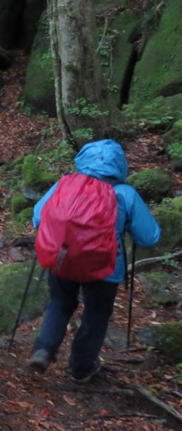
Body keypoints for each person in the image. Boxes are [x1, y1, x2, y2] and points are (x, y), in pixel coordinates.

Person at [27, 139, 161, 382]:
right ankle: (81, 367)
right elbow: (149, 237)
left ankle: (44, 350)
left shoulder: (64, 185)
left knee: (60, 304)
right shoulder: (125, 194)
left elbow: (38, 218)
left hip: (62, 260)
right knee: (96, 315)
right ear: (120, 164)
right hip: (106, 268)